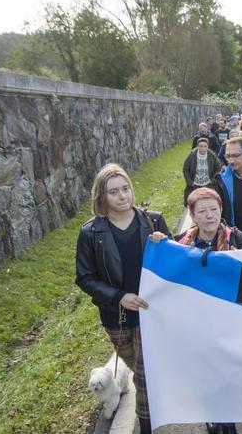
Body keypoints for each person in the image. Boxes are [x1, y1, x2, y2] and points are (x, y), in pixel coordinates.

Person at [75, 163, 172, 434]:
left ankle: (147, 428)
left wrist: (164, 244)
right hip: (115, 318)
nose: (122, 196)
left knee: (144, 376)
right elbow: (84, 277)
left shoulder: (153, 221)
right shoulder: (91, 233)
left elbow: (175, 264)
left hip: (151, 313)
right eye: (114, 192)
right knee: (135, 367)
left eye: (125, 188)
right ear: (102, 197)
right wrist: (119, 297)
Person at [175, 187, 242, 434]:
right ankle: (212, 419)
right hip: (198, 324)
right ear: (192, 215)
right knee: (205, 375)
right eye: (202, 211)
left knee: (227, 375)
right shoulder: (180, 244)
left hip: (229, 322)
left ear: (221, 211)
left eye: (213, 209)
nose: (209, 216)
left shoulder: (236, 238)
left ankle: (228, 421)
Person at [182, 138, 222, 206]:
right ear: (197, 146)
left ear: (207, 147)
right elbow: (185, 169)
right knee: (194, 203)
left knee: (209, 202)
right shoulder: (192, 155)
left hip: (208, 183)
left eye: (205, 146)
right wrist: (190, 182)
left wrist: (212, 180)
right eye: (201, 146)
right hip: (195, 184)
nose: (203, 148)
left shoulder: (212, 155)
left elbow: (218, 168)